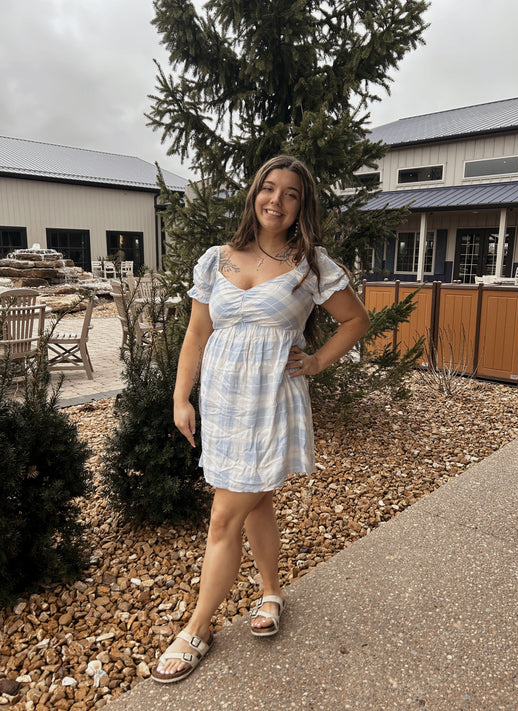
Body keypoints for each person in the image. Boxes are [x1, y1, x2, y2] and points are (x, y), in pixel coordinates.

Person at [151, 155, 370, 683]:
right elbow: (196, 334)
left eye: (291, 194)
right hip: (223, 403)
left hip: (271, 401)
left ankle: (197, 628)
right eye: (269, 188)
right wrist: (181, 397)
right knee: (257, 502)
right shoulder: (217, 260)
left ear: (301, 206)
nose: (277, 200)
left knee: (225, 516)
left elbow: (356, 319)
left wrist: (316, 361)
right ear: (254, 194)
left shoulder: (311, 264)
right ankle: (272, 592)